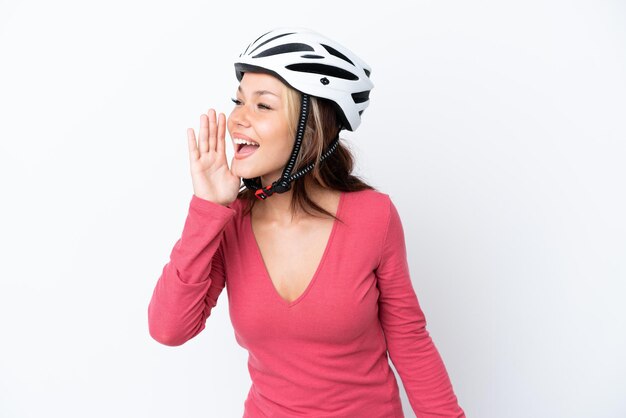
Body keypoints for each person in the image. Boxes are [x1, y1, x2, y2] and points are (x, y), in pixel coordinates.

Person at [148, 27, 465, 418]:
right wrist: (206, 208)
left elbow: (409, 340)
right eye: (238, 102)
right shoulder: (230, 223)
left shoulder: (373, 216)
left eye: (262, 106)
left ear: (310, 129)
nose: (236, 121)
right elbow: (169, 329)